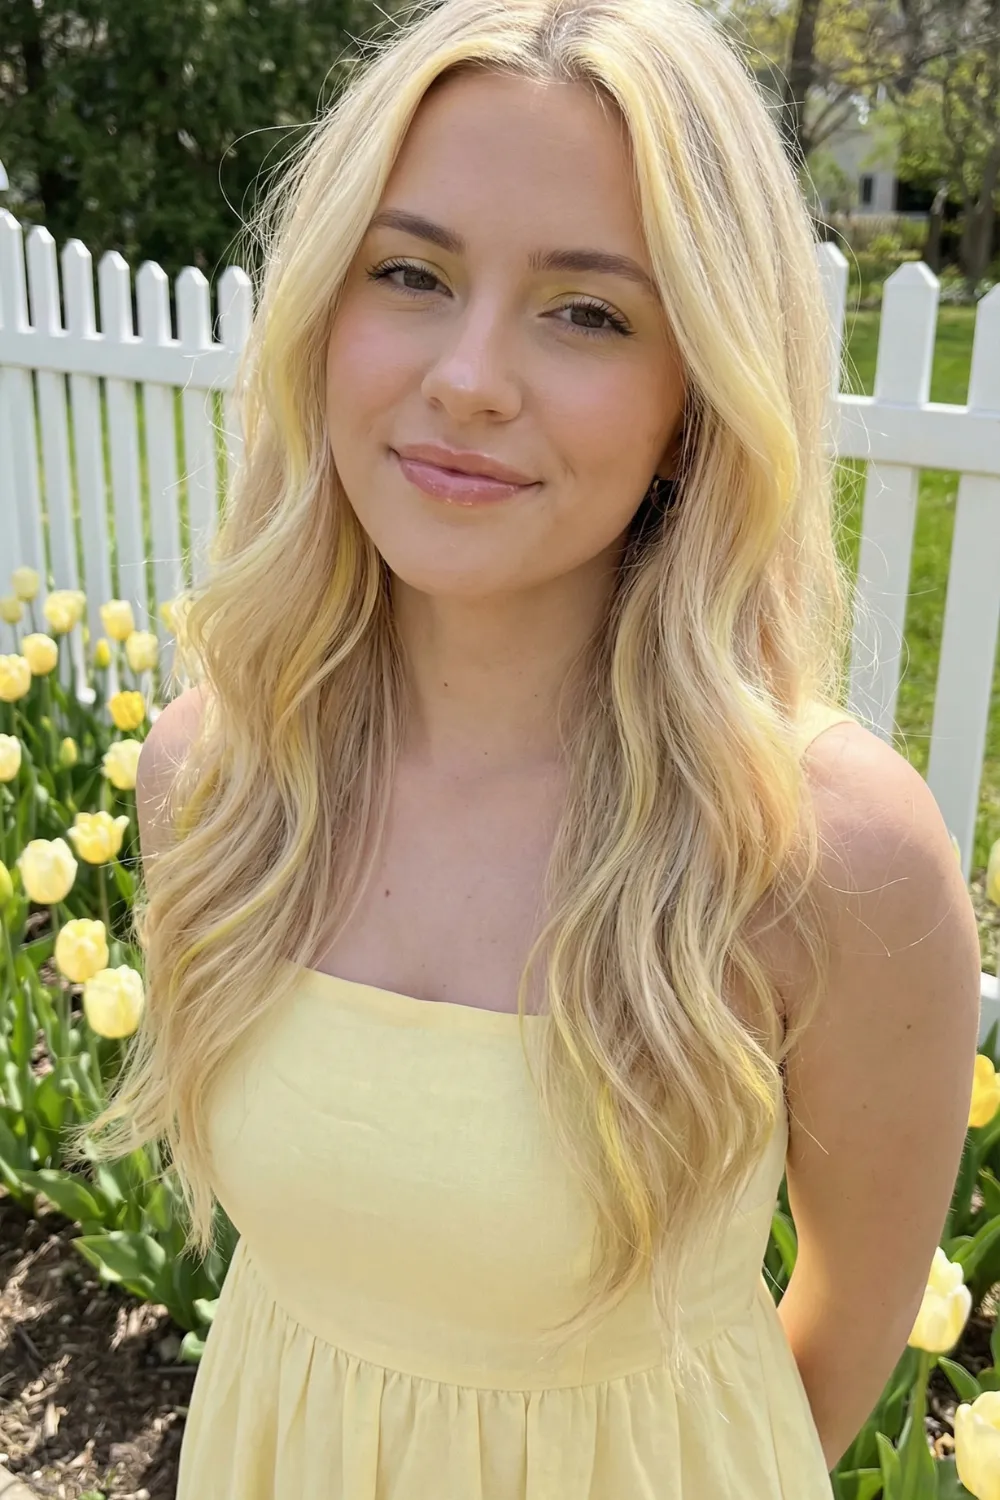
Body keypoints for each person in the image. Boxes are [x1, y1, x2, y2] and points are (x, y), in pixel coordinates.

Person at [79, 0, 982, 1494]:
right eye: (413, 273)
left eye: (588, 312)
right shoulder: (218, 783)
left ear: (699, 400)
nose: (470, 377)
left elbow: (846, 1331)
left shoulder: (821, 852)